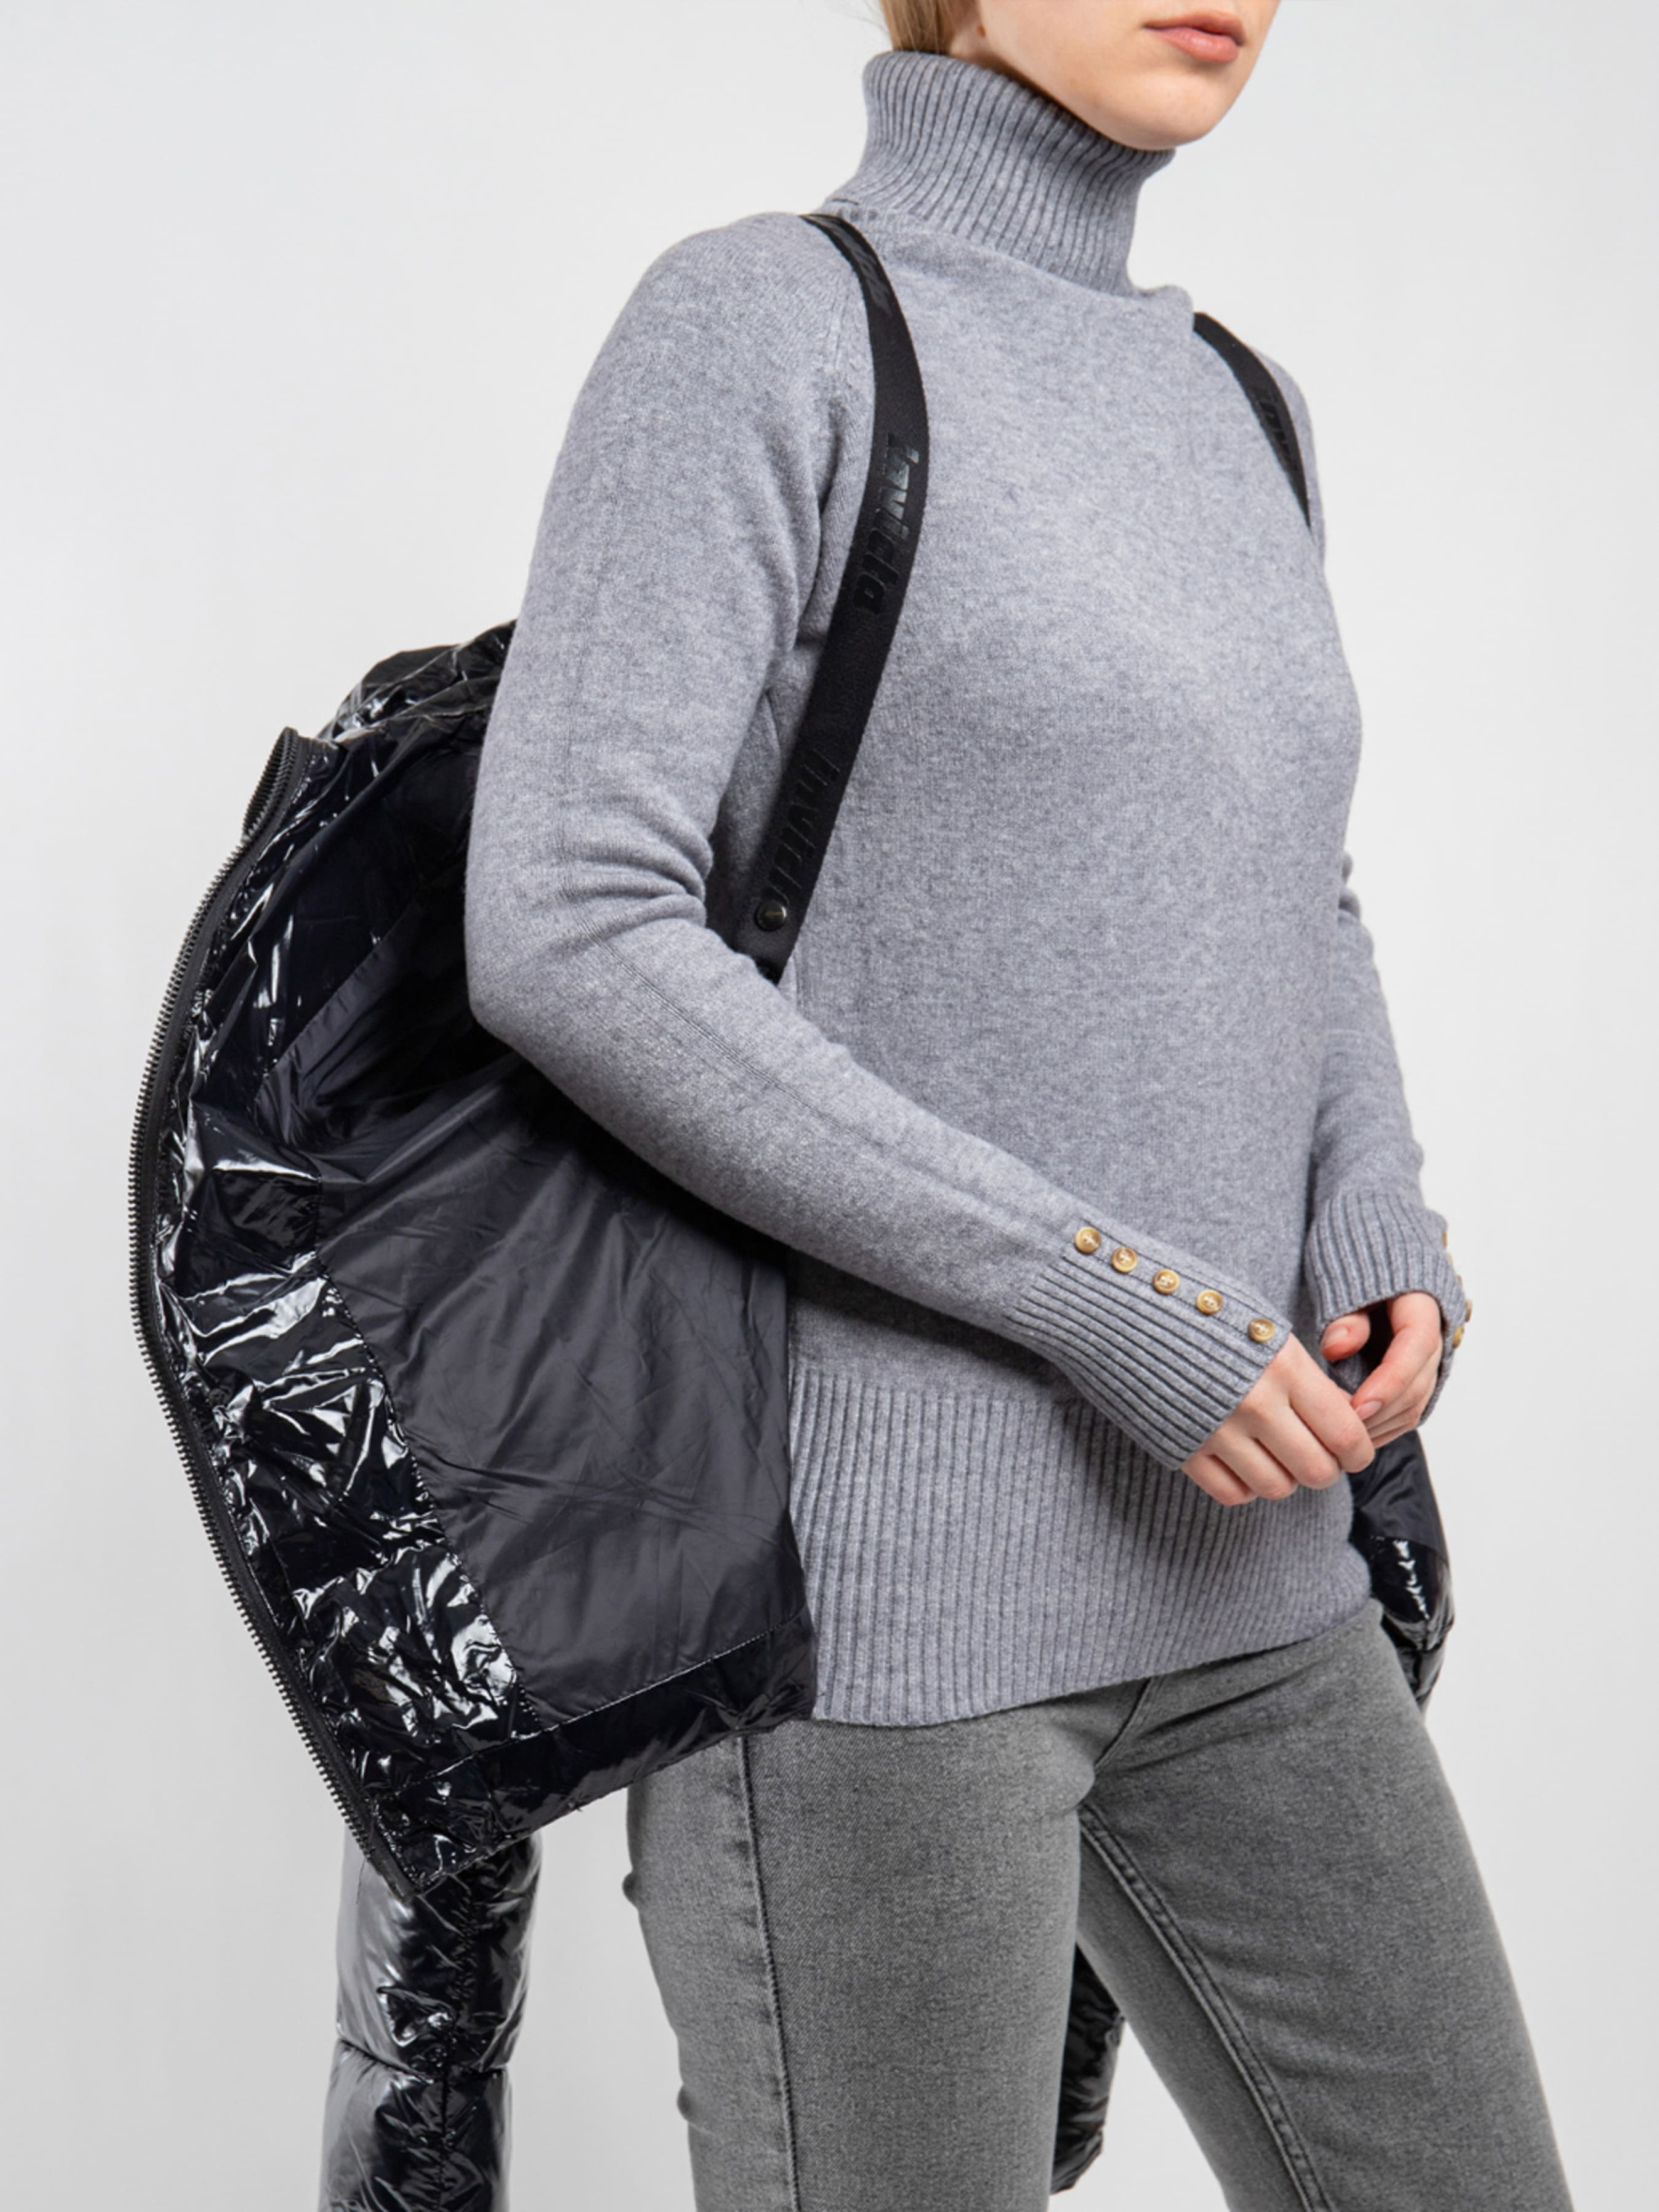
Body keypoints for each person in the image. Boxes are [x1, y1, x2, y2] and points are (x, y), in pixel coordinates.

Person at [465, 3, 1573, 2205]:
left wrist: (1372, 1207)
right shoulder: (762, 325)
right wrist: (1104, 1302)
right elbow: (567, 919)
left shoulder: (1236, 398)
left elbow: (1292, 886)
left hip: (1259, 1573)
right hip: (883, 1623)